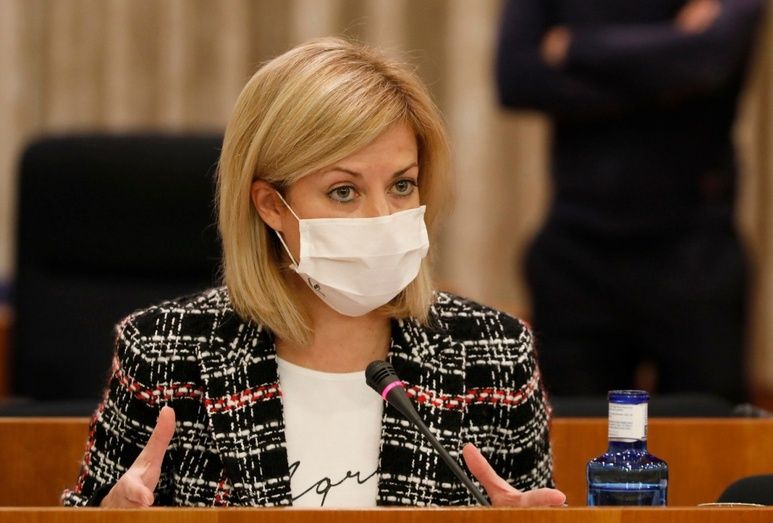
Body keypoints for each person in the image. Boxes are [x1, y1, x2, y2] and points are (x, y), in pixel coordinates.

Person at [61, 37, 566, 508]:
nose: (381, 218)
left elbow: (530, 506)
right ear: (270, 205)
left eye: (401, 185)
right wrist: (107, 518)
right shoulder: (164, 354)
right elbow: (88, 513)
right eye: (344, 192)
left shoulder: (494, 355)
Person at [496, 0, 765, 402]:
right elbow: (516, 78)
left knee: (710, 429)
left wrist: (574, 47)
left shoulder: (573, 43)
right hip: (575, 252)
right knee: (574, 431)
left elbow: (708, 60)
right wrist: (669, 61)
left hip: (696, 252)